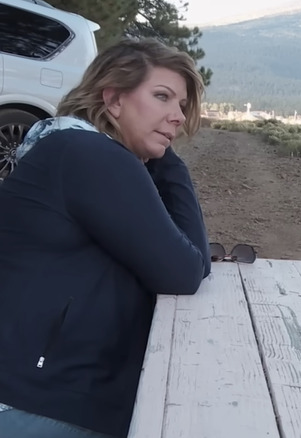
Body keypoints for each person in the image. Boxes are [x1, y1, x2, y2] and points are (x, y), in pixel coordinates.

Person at [0, 38, 212, 437]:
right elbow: (187, 271)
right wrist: (171, 165)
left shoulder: (65, 147)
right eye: (162, 97)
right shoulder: (90, 155)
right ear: (113, 99)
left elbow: (186, 259)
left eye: (181, 105)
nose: (177, 117)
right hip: (40, 403)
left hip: (38, 393)